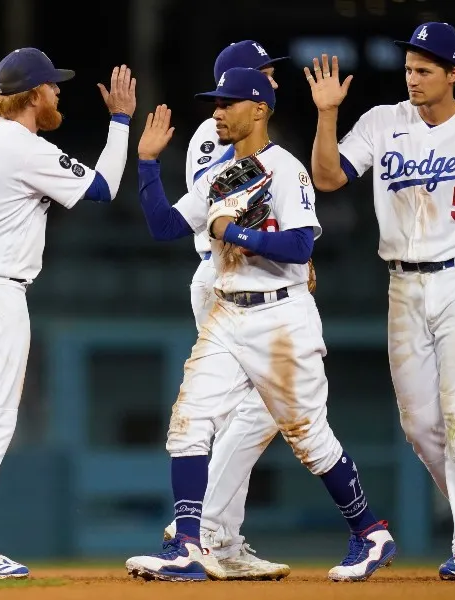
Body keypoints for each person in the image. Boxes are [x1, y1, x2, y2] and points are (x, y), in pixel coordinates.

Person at [125, 67, 395, 583]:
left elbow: (301, 245)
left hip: (281, 316)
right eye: (216, 103)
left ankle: (371, 531)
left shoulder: (287, 169)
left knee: (309, 438)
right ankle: (188, 545)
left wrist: (238, 234)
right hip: (228, 312)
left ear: (258, 109)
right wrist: (147, 163)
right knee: (188, 424)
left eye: (227, 103)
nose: (217, 111)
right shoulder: (221, 175)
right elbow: (164, 226)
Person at [305, 22, 455, 580]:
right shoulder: (383, 121)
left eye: (424, 70)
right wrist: (327, 115)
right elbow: (327, 178)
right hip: (403, 283)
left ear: (453, 73)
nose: (413, 78)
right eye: (408, 69)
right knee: (420, 425)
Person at [0, 48, 136, 579]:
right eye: (52, 85)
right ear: (32, 94)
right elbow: (103, 187)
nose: (58, 92)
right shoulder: (23, 145)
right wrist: (120, 121)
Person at [161, 40, 293, 581]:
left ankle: (222, 536)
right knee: (262, 407)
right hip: (225, 277)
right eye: (265, 73)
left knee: (253, 410)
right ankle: (208, 527)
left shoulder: (234, 134)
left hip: (235, 274)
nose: (273, 81)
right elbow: (223, 203)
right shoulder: (217, 133)